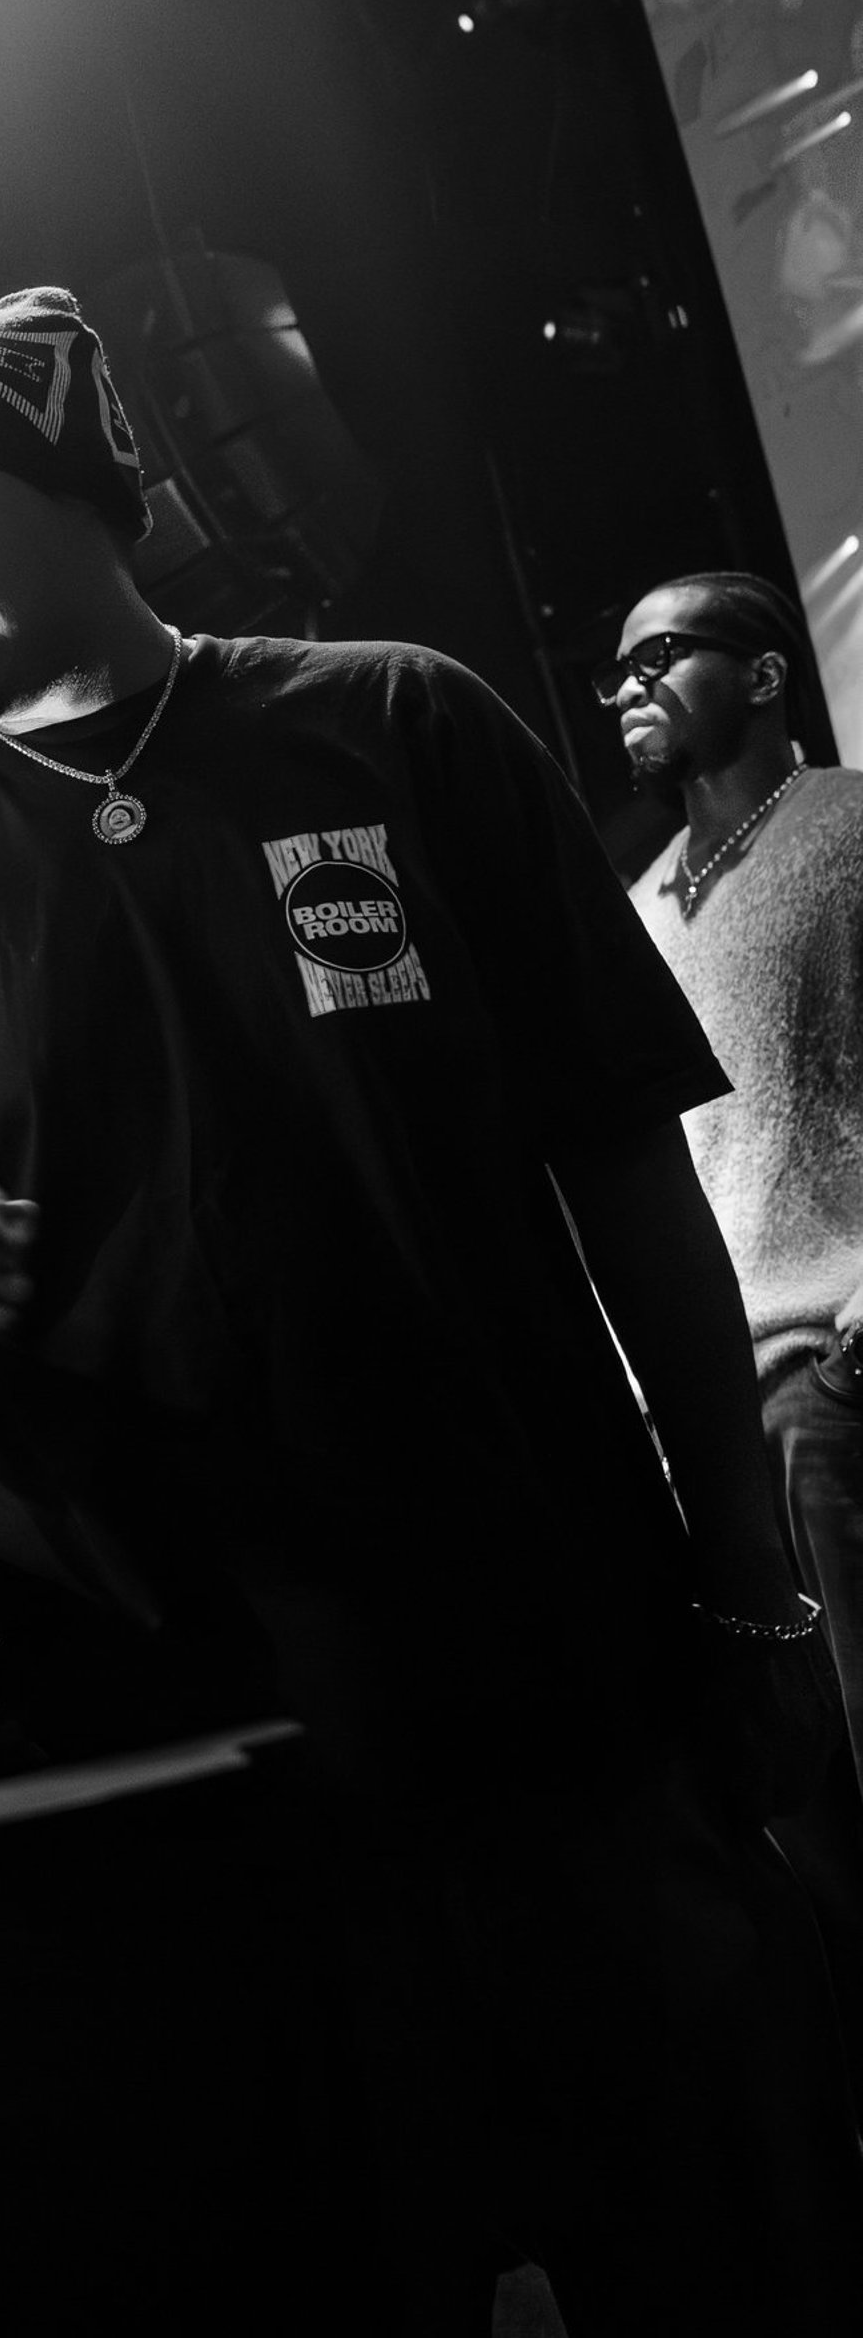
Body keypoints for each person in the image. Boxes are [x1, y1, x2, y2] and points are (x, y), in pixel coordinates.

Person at [0, 286, 863, 2332]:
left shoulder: (400, 724)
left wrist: (749, 1588)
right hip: (168, 1736)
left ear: (81, 491)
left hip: (543, 1664)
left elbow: (630, 1184)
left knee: (703, 2227)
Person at [604, 573, 863, 1990]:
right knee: (794, 1800)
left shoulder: (851, 826)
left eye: (661, 655)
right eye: (616, 670)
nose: (628, 687)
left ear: (763, 674)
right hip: (707, 1413)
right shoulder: (639, 903)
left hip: (836, 1381)